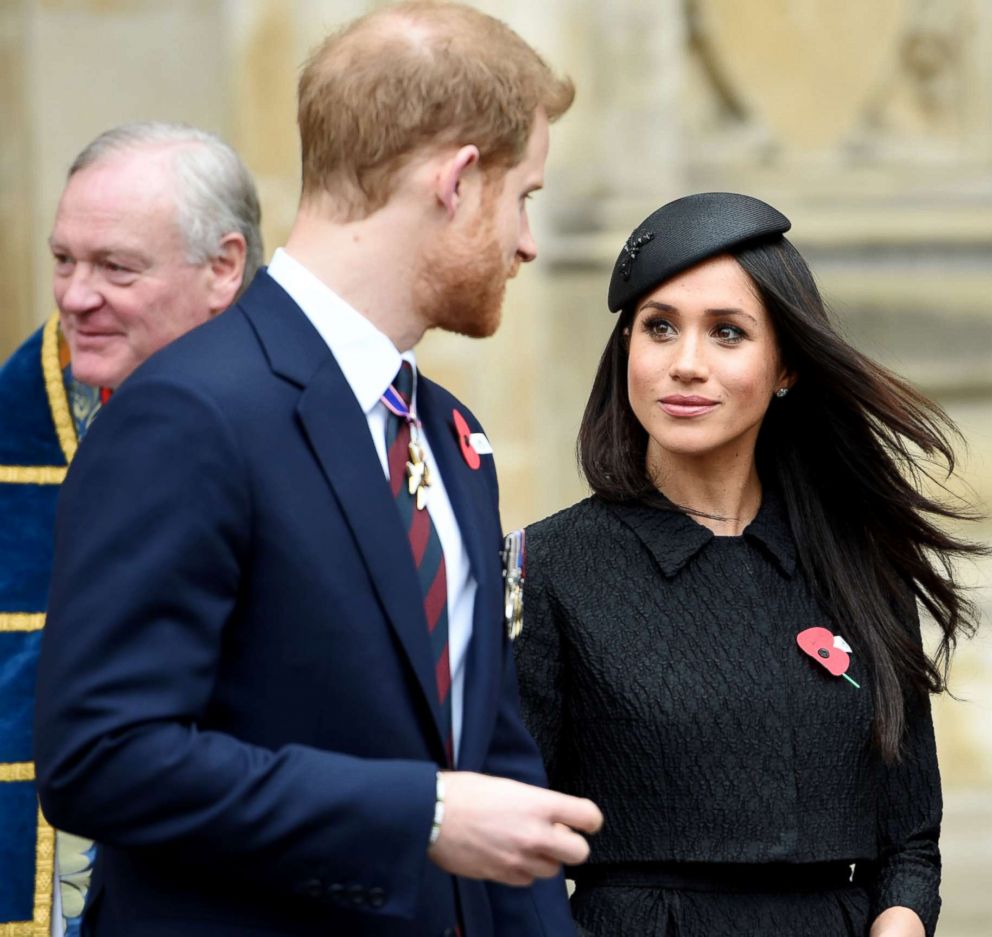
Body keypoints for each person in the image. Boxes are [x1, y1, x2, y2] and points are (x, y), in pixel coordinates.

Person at [34, 4, 602, 936]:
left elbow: (493, 776)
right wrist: (416, 812)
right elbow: (103, 756)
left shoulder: (450, 437)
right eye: (523, 195)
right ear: (457, 181)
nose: (528, 241)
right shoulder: (189, 411)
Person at [512, 192, 984, 937]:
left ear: (787, 364)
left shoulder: (858, 562)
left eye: (727, 333)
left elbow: (908, 840)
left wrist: (901, 922)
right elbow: (513, 844)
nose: (686, 364)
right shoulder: (553, 567)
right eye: (659, 327)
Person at [0, 121, 261, 937]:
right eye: (62, 260)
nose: (75, 295)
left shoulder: (318, 411)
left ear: (224, 267)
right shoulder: (22, 417)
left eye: (115, 268)